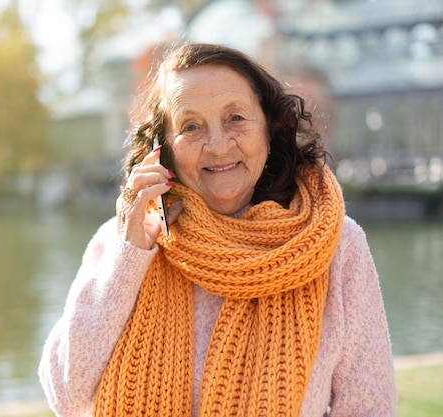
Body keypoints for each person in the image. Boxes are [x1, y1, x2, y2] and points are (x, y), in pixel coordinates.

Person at [38, 43, 396, 417]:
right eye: (191, 126)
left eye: (236, 118)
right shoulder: (125, 241)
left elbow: (368, 407)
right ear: (164, 148)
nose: (218, 145)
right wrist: (129, 257)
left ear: (269, 129)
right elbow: (67, 393)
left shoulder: (337, 245)